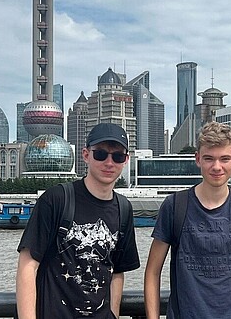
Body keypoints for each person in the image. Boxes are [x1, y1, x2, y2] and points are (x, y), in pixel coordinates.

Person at [144, 122, 231, 319]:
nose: (217, 167)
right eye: (209, 158)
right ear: (198, 159)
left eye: (225, 159)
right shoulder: (175, 205)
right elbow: (152, 271)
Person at [16, 123, 140, 318]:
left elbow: (117, 272)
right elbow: (27, 265)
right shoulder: (56, 199)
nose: (109, 162)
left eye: (117, 156)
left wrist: (113, 315)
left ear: (126, 160)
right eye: (100, 154)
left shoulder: (124, 209)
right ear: (85, 155)